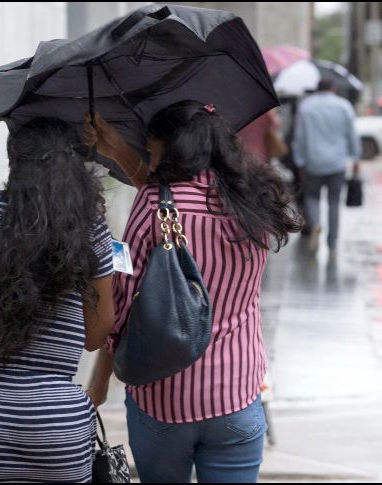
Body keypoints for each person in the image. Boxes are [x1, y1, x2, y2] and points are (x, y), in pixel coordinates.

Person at [85, 101, 302, 483]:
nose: (150, 164)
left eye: (152, 153)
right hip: (236, 395)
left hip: (163, 400)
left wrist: (102, 377)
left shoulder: (152, 204)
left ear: (174, 151)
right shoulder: (256, 201)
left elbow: (120, 307)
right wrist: (119, 150)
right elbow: (180, 199)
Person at [0, 118, 115, 482]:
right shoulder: (88, 230)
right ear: (72, 167)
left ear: (12, 160)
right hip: (54, 423)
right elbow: (95, 337)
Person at [292, 79, 361, 257]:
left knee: (312, 197)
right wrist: (356, 158)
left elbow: (299, 137)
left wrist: (299, 161)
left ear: (317, 89)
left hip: (313, 162)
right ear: (334, 87)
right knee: (334, 202)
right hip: (337, 163)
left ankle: (315, 223)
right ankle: (332, 245)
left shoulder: (306, 107)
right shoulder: (344, 106)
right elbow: (352, 135)